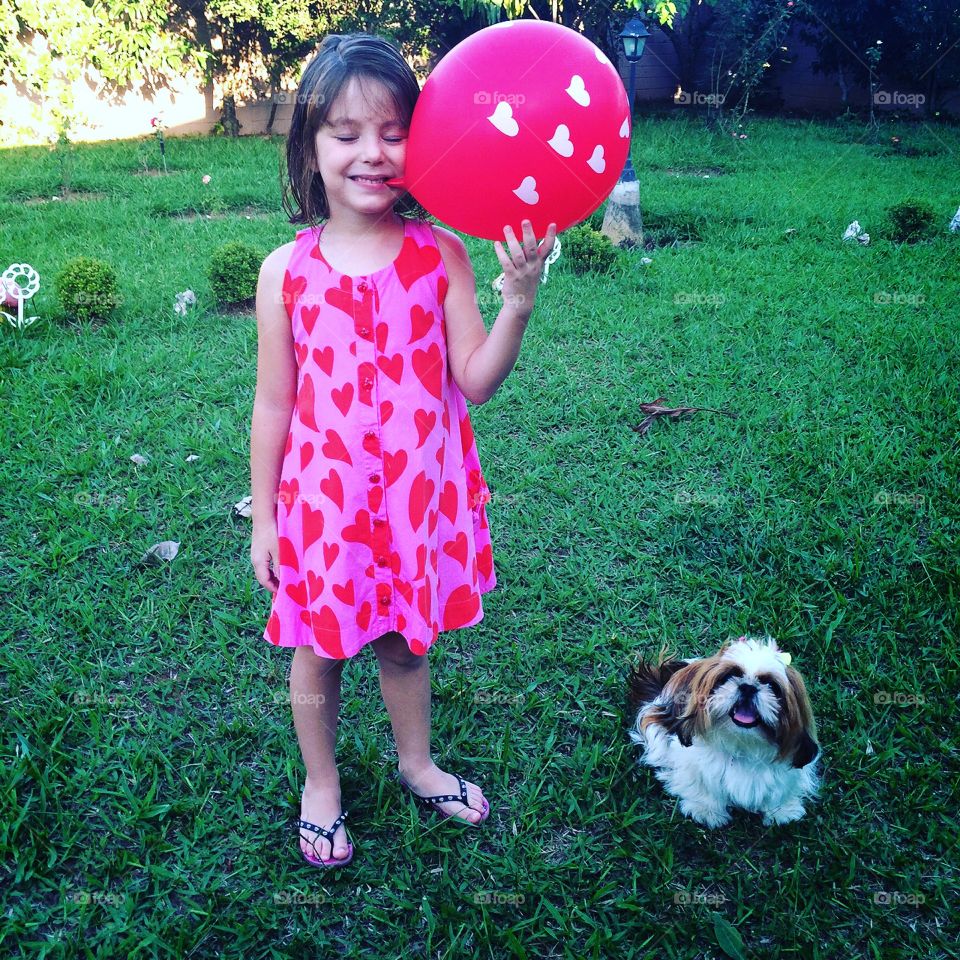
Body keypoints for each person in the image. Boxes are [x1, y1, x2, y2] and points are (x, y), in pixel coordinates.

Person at [249, 32, 557, 869]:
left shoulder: (441, 255)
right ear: (310, 149)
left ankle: (416, 763)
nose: (372, 153)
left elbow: (476, 379)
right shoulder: (286, 271)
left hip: (415, 505)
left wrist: (517, 304)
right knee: (320, 644)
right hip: (323, 506)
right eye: (345, 133)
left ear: (421, 141)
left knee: (404, 642)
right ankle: (322, 783)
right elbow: (275, 401)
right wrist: (265, 521)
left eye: (393, 131)